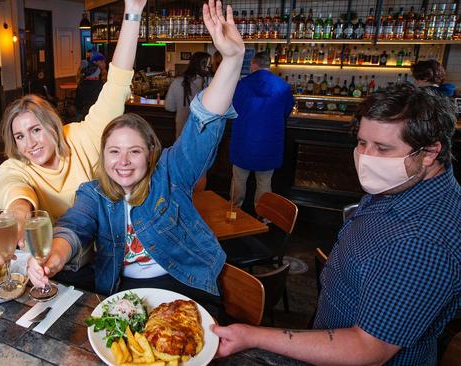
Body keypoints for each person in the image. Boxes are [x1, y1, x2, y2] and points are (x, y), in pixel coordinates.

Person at [212, 83, 460, 365]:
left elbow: (368, 349)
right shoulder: (401, 186)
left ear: (429, 153)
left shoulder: (421, 241)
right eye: (362, 143)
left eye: (382, 148)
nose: (367, 157)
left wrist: (254, 336)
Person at [26, 0, 245, 317]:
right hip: (121, 295)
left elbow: (203, 120)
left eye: (134, 151)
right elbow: (74, 227)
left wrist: (232, 59)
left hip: (182, 286)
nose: (123, 161)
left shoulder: (170, 174)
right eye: (114, 151)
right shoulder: (93, 193)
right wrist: (54, 259)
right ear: (103, 156)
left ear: (151, 153)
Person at [0, 0, 144, 290]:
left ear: (51, 124)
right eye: (20, 136)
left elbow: (117, 84)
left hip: (105, 260)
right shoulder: (14, 167)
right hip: (50, 266)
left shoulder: (81, 136)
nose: (30, 144)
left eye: (35, 129)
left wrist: (133, 13)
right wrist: (18, 216)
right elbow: (16, 196)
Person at [229, 51, 293, 207]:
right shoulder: (283, 87)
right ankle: (263, 216)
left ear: (253, 65)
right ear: (269, 66)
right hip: (269, 142)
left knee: (238, 179)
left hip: (244, 140)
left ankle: (234, 210)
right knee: (264, 182)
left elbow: (232, 109)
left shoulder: (242, 85)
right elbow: (287, 110)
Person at [164, 51, 211, 137]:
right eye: (208, 65)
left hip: (182, 132)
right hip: (204, 133)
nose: (210, 67)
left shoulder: (177, 82)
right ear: (202, 65)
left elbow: (169, 107)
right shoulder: (210, 83)